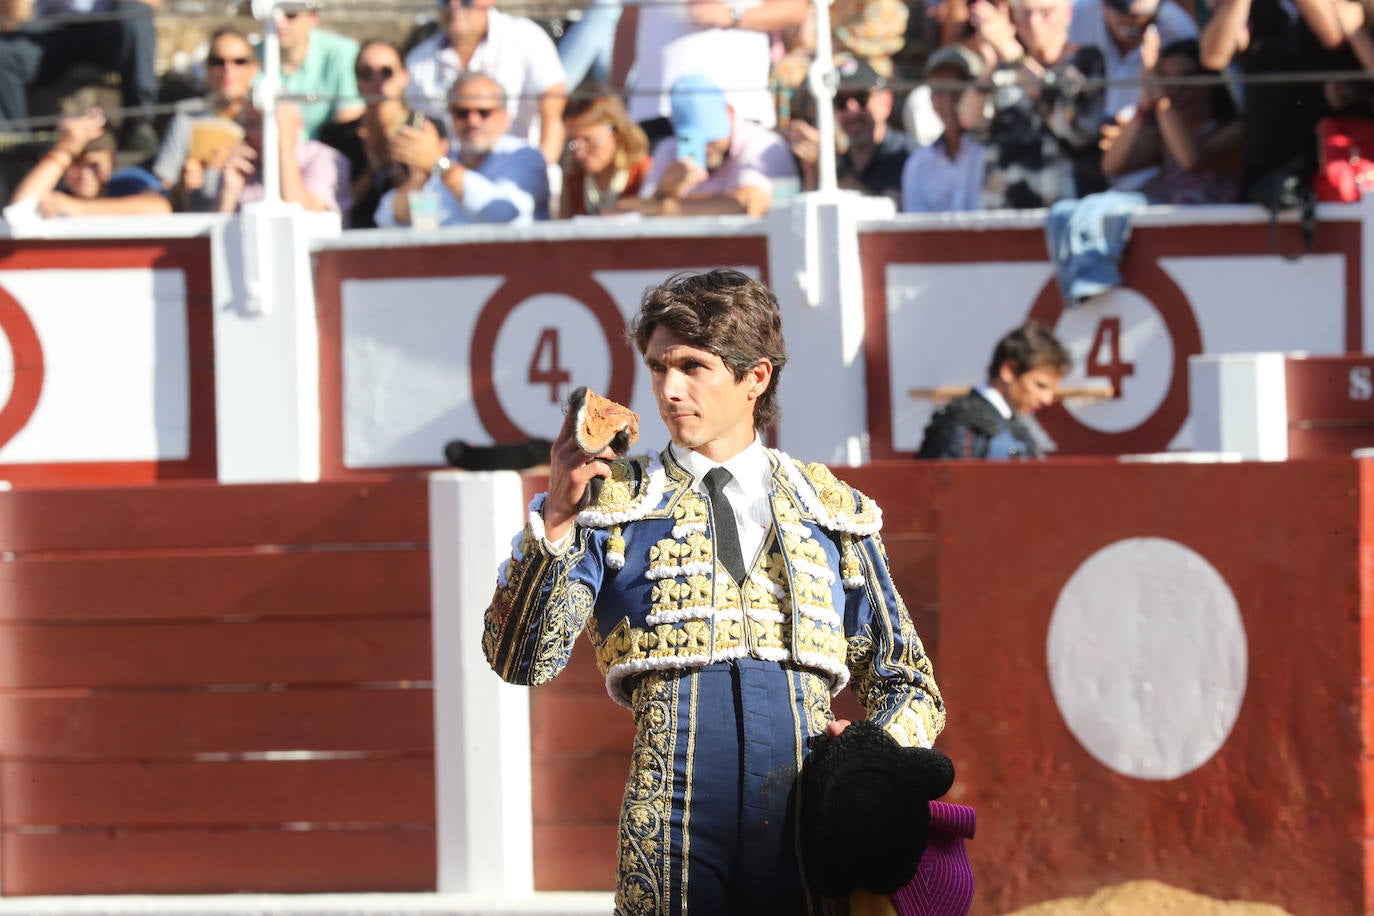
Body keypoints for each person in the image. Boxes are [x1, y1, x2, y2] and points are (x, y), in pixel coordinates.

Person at [482, 268, 945, 914]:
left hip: (806, 816)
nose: (669, 391)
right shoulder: (613, 503)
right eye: (657, 367)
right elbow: (520, 659)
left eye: (693, 367)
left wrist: (875, 757)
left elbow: (910, 683)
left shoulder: (830, 510)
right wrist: (558, 518)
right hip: (669, 819)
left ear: (755, 377)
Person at [961, 0, 1109, 209]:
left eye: (1045, 13)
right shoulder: (1006, 68)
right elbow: (969, 121)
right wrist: (989, 65)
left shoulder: (1085, 60)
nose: (1034, 23)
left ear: (1066, 14)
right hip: (1006, 213)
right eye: (1026, 15)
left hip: (1066, 216)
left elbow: (1076, 128)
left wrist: (1012, 53)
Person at [611, 0, 809, 145]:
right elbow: (630, 19)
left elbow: (795, 8)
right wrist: (614, 94)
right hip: (654, 112)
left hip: (737, 113)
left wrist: (732, 15)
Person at [375, 71, 549, 227]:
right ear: (450, 115)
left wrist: (438, 163)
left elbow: (503, 214)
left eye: (483, 112)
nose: (473, 121)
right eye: (462, 113)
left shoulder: (525, 156)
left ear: (505, 117)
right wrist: (419, 177)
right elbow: (388, 217)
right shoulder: (445, 157)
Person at [404, 0, 568, 164]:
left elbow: (553, 116)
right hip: (449, 179)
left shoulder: (526, 37)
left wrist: (538, 174)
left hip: (518, 176)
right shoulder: (418, 61)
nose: (454, 5)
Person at [618, 72, 799, 217]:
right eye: (693, 140)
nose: (705, 147)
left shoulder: (762, 144)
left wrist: (667, 206)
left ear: (729, 113)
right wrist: (663, 191)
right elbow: (628, 211)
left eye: (711, 137)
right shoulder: (669, 149)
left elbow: (751, 203)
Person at [0, 0, 160, 159]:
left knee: (135, 10)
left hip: (109, 26)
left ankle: (139, 123)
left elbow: (149, 4)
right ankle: (17, 144)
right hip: (53, 31)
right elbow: (14, 15)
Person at [1100, 35, 1243, 203]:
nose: (1175, 90)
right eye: (1167, 80)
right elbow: (1112, 166)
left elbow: (1191, 160)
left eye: (1186, 79)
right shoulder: (1165, 134)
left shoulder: (1236, 130)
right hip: (1169, 226)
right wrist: (1143, 108)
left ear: (1210, 81)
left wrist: (1160, 98)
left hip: (1218, 225)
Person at [915, 320, 1071, 459]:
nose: (1047, 399)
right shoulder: (962, 423)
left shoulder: (1012, 424)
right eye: (1040, 385)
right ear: (1009, 371)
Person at [320, 39, 428, 228]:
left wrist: (390, 163)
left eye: (386, 72)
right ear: (356, 81)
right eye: (366, 73)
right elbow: (332, 209)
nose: (377, 81)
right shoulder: (336, 136)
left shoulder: (426, 130)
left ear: (404, 77)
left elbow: (428, 206)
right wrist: (371, 170)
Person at [152, 26, 258, 210]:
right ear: (207, 68)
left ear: (254, 68)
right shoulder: (188, 116)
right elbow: (163, 189)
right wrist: (182, 185)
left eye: (239, 61)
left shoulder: (267, 117)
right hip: (203, 225)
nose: (228, 69)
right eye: (218, 62)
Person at [785, 54, 915, 200]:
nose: (851, 111)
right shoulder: (843, 160)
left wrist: (830, 166)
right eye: (840, 101)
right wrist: (812, 168)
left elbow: (891, 211)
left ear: (886, 101)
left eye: (861, 98)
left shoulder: (908, 156)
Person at [3, 105, 168, 219]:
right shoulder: (58, 194)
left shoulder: (127, 182)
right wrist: (63, 151)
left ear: (111, 163)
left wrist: (77, 208)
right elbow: (19, 209)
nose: (84, 173)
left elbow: (160, 208)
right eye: (75, 164)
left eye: (94, 165)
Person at [210, 99, 352, 217]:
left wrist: (283, 145)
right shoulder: (240, 166)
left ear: (298, 124)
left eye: (271, 123)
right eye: (253, 124)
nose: (264, 132)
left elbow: (306, 218)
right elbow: (215, 241)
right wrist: (229, 191)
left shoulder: (324, 158)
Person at [1068, 0, 1198, 120]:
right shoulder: (1073, 16)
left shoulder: (1179, 29)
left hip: (1146, 133)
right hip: (1076, 129)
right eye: (1124, 25)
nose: (1132, 21)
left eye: (1142, 16)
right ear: (1103, 5)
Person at [900, 43, 988, 212]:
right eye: (939, 91)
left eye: (957, 90)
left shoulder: (994, 152)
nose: (947, 101)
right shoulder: (918, 165)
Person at [268, 0, 365, 141]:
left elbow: (349, 119)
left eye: (291, 14)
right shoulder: (244, 57)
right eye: (271, 13)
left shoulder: (342, 52)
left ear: (312, 17)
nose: (279, 22)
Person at [559, 85, 651, 217]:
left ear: (616, 132)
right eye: (572, 141)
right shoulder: (574, 180)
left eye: (588, 140)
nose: (579, 153)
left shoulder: (643, 173)